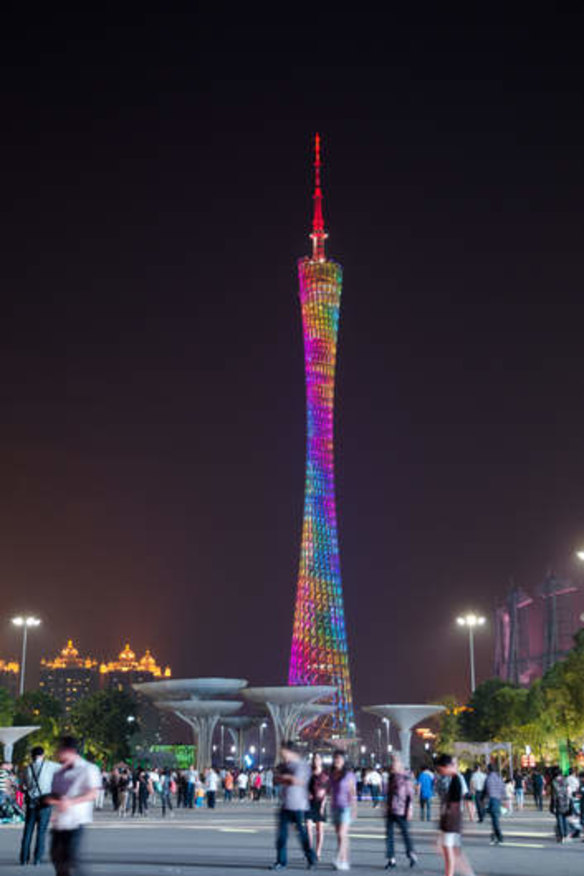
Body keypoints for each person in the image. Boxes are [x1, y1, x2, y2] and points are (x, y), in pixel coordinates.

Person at [48, 736, 101, 876]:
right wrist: (51, 802)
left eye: (60, 750)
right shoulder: (58, 772)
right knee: (57, 859)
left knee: (71, 861)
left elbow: (93, 793)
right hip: (59, 823)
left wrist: (70, 802)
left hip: (75, 822)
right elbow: (56, 795)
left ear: (70, 751)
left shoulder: (88, 769)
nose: (57, 753)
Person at [271, 740, 316, 871]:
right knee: (281, 836)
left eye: (283, 753)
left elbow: (297, 781)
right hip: (285, 805)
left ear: (290, 752)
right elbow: (275, 779)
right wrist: (285, 778)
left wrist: (284, 778)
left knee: (302, 835)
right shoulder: (285, 766)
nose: (282, 756)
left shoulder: (302, 765)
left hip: (298, 806)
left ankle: (311, 858)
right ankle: (281, 862)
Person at [435, 754, 475, 876]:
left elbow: (458, 800)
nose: (440, 771)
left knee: (449, 850)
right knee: (450, 850)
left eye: (441, 769)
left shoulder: (456, 779)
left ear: (446, 766)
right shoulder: (452, 778)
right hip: (451, 820)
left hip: (451, 820)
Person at [20, 745, 59, 867]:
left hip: (31, 803)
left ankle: (24, 859)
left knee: (28, 831)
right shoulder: (50, 765)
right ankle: (37, 859)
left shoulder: (27, 768)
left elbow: (23, 785)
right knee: (41, 832)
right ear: (43, 755)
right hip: (44, 802)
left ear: (32, 755)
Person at [385, 754, 417, 869]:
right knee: (389, 836)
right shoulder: (391, 777)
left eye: (395, 762)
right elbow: (389, 794)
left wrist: (410, 809)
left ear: (400, 764)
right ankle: (391, 859)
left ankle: (411, 853)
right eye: (392, 762)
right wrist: (386, 806)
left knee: (405, 833)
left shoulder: (406, 777)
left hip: (401, 810)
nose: (392, 765)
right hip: (391, 810)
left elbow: (410, 795)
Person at [329, 749, 357, 871]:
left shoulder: (349, 775)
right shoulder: (332, 774)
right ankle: (345, 861)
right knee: (341, 836)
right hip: (335, 807)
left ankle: (338, 858)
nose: (336, 760)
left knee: (342, 833)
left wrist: (354, 808)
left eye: (339, 758)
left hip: (346, 807)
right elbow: (330, 790)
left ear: (344, 760)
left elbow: (353, 792)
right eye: (335, 758)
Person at [306, 753, 330, 862]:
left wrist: (323, 805)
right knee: (308, 828)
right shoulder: (309, 773)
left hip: (320, 803)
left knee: (319, 829)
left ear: (321, 761)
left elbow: (326, 791)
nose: (316, 760)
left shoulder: (325, 774)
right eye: (314, 758)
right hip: (309, 803)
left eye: (318, 758)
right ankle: (310, 851)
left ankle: (318, 852)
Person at [485, 764, 505, 845]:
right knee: (495, 820)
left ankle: (499, 837)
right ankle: (494, 837)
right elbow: (503, 790)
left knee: (494, 820)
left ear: (489, 770)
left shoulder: (489, 778)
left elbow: (487, 790)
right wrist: (503, 799)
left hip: (492, 800)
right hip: (498, 800)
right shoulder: (499, 778)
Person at [550, 767, 572, 843]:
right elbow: (569, 791)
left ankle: (561, 835)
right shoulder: (565, 780)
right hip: (565, 802)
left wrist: (553, 805)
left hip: (558, 803)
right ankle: (566, 835)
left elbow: (554, 795)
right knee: (565, 819)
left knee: (559, 820)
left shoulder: (554, 782)